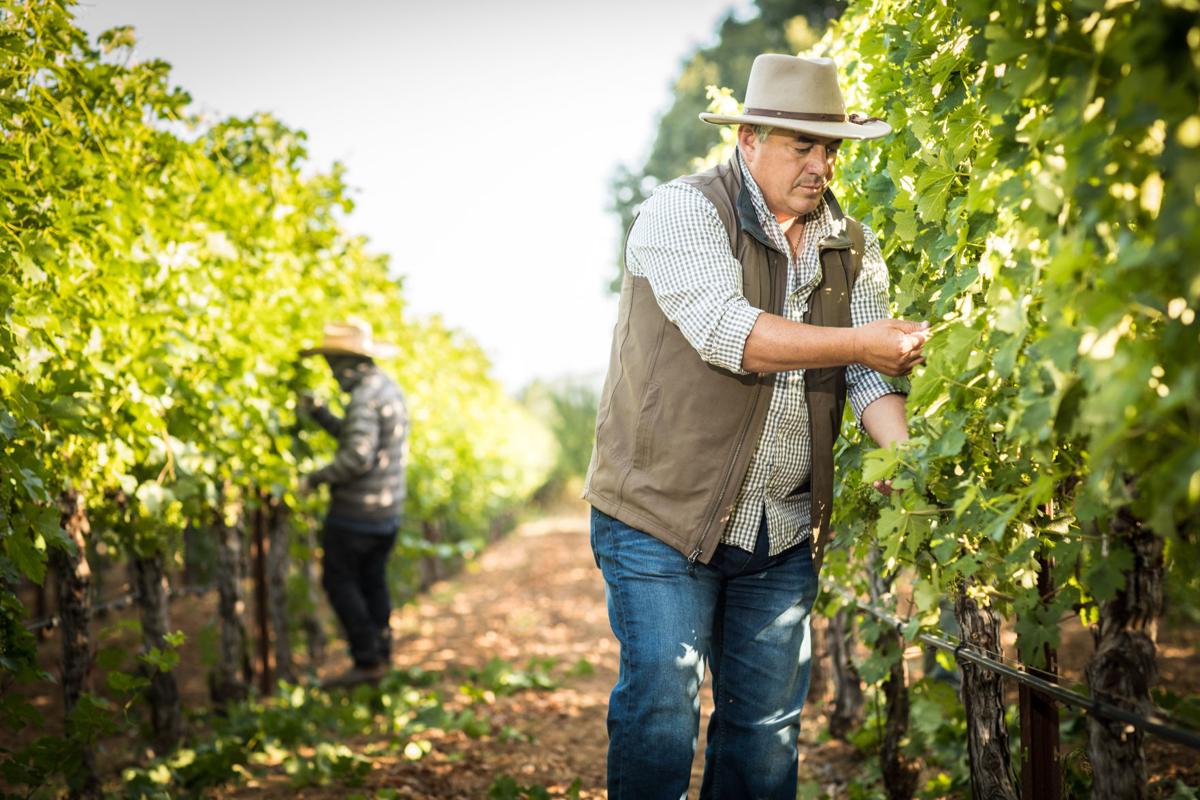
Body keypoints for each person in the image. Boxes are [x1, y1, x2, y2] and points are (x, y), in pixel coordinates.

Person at [582, 54, 931, 799]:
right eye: (801, 145)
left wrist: (910, 461)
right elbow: (731, 333)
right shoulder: (681, 211)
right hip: (662, 516)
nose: (820, 164)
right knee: (662, 707)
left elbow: (871, 373)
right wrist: (863, 344)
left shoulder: (849, 246)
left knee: (765, 733)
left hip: (781, 528)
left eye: (829, 147)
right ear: (747, 138)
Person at [298, 320, 408, 687]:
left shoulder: (364, 396)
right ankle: (381, 652)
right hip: (387, 510)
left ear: (351, 362)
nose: (332, 373)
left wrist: (313, 478)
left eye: (332, 363)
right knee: (372, 580)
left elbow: (358, 457)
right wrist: (322, 415)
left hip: (356, 514)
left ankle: (367, 661)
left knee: (340, 581)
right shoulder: (386, 389)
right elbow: (361, 440)